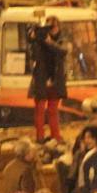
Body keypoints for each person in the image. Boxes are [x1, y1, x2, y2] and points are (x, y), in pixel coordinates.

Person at [28, 13, 67, 142]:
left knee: (53, 111)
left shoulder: (61, 39)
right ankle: (40, 137)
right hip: (41, 80)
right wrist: (34, 37)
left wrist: (48, 42)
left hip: (55, 80)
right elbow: (33, 54)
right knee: (39, 110)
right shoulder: (39, 41)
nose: (52, 29)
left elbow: (62, 51)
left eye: (54, 26)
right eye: (49, 27)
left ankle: (55, 136)